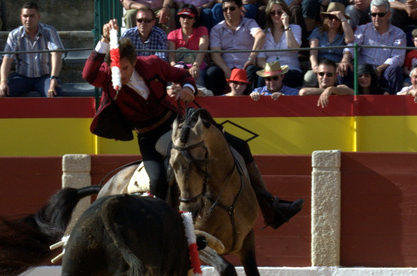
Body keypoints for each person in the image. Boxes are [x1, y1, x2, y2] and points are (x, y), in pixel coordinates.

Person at [84, 19, 303, 227]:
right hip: (148, 136)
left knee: (241, 146)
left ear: (134, 61)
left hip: (177, 122)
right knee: (158, 181)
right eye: (117, 69)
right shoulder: (107, 77)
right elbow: (87, 73)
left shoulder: (151, 64)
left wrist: (189, 89)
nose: (121, 75)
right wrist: (104, 41)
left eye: (125, 68)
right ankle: (164, 229)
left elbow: (184, 76)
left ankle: (270, 207)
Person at [0, 2, 63, 98]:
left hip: (44, 77)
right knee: (3, 92)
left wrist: (53, 79)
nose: (28, 19)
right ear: (21, 17)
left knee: (54, 93)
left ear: (38, 17)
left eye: (32, 16)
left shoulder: (49, 31)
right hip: (22, 77)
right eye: (25, 16)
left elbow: (56, 54)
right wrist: (3, 82)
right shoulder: (14, 34)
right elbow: (7, 59)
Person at [343, 0, 406, 94]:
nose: (376, 18)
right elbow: (352, 46)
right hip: (362, 70)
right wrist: (345, 59)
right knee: (344, 68)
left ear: (389, 14)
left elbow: (398, 58)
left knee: (395, 70)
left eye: (381, 14)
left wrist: (379, 69)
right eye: (373, 14)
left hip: (384, 71)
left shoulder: (399, 34)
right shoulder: (362, 29)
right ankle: (347, 104)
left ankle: (395, 103)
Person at [206, 0, 266, 95]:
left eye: (232, 8)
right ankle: (216, 104)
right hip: (226, 67)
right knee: (212, 72)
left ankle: (251, 101)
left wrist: (251, 58)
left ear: (240, 9)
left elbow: (261, 35)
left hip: (245, 67)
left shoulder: (250, 23)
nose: (228, 12)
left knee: (253, 70)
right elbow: (215, 54)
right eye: (225, 9)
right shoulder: (216, 29)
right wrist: (226, 70)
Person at [304, 2, 354, 87]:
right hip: (321, 65)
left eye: (337, 18)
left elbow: (350, 39)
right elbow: (313, 51)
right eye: (331, 17)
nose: (334, 20)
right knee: (309, 77)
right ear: (326, 18)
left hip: (337, 64)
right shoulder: (317, 31)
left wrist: (342, 18)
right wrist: (315, 66)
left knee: (344, 73)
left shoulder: (344, 33)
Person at [256, 0, 303, 89]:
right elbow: (260, 60)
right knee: (262, 78)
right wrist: (272, 69)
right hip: (270, 71)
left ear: (285, 13)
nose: (277, 15)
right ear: (269, 15)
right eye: (273, 13)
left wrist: (286, 26)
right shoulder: (264, 33)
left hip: (291, 69)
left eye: (280, 12)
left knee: (285, 76)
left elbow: (293, 48)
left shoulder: (295, 28)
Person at [167, 4, 210, 87]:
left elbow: (202, 50)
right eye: (183, 16)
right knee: (170, 82)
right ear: (179, 19)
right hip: (178, 67)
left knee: (197, 77)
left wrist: (195, 66)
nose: (186, 20)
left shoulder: (202, 30)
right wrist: (174, 67)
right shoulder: (172, 34)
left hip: (197, 67)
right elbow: (171, 55)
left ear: (194, 20)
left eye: (190, 17)